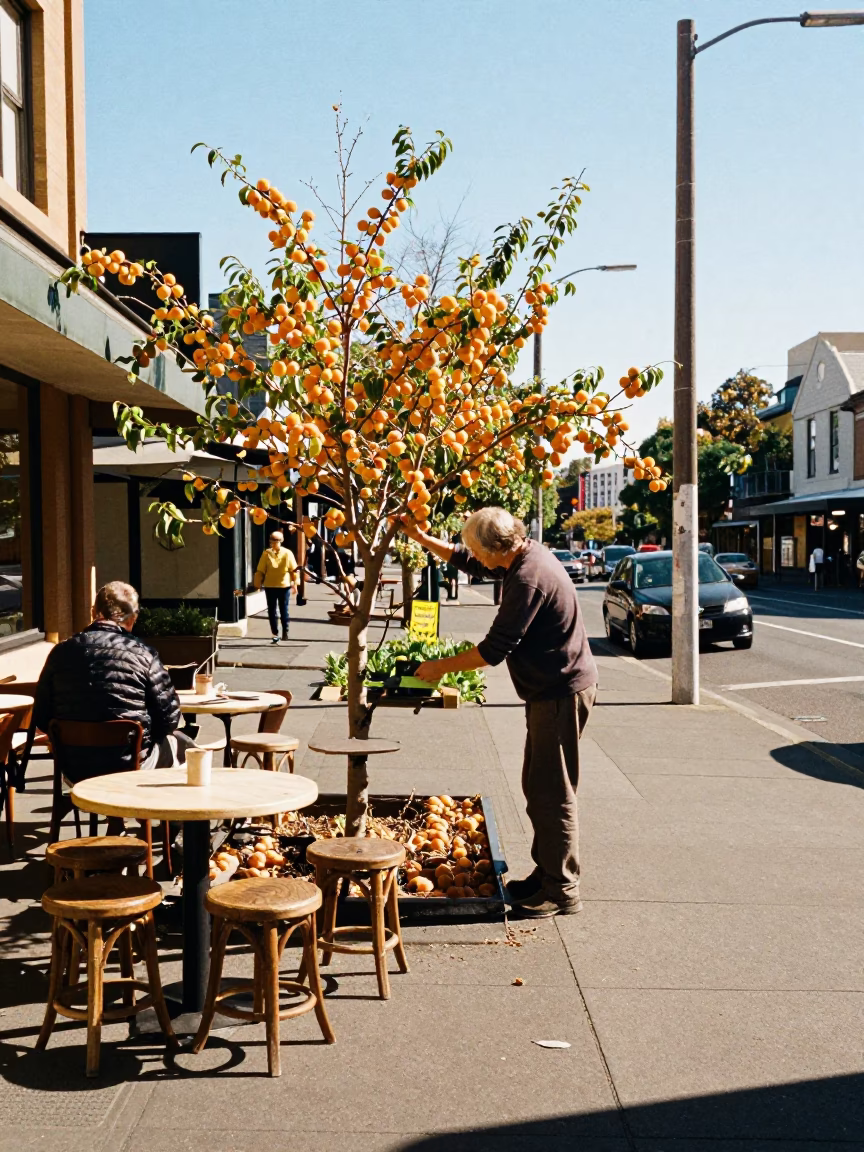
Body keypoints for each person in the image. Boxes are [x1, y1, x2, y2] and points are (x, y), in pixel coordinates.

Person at [395, 507, 598, 919]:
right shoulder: (522, 556)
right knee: (538, 785)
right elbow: (467, 561)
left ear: (495, 548)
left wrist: (437, 668)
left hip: (559, 692)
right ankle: (547, 875)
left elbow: (492, 650)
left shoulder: (526, 578)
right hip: (551, 689)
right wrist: (421, 538)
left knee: (551, 792)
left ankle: (561, 890)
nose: (473, 556)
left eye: (476, 547)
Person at [34, 581, 191, 783]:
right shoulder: (145, 655)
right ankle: (167, 809)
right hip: (131, 765)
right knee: (188, 750)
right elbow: (169, 720)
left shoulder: (60, 653)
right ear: (133, 618)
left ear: (93, 612)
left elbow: (42, 716)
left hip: (75, 769)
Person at [255, 530, 299, 642]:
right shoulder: (266, 553)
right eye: (272, 539)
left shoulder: (287, 553)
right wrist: (257, 583)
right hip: (270, 586)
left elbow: (294, 570)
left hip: (284, 586)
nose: (273, 542)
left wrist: (295, 584)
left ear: (281, 541)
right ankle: (275, 632)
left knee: (284, 610)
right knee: (271, 610)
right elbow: (260, 570)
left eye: (276, 540)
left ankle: (285, 631)